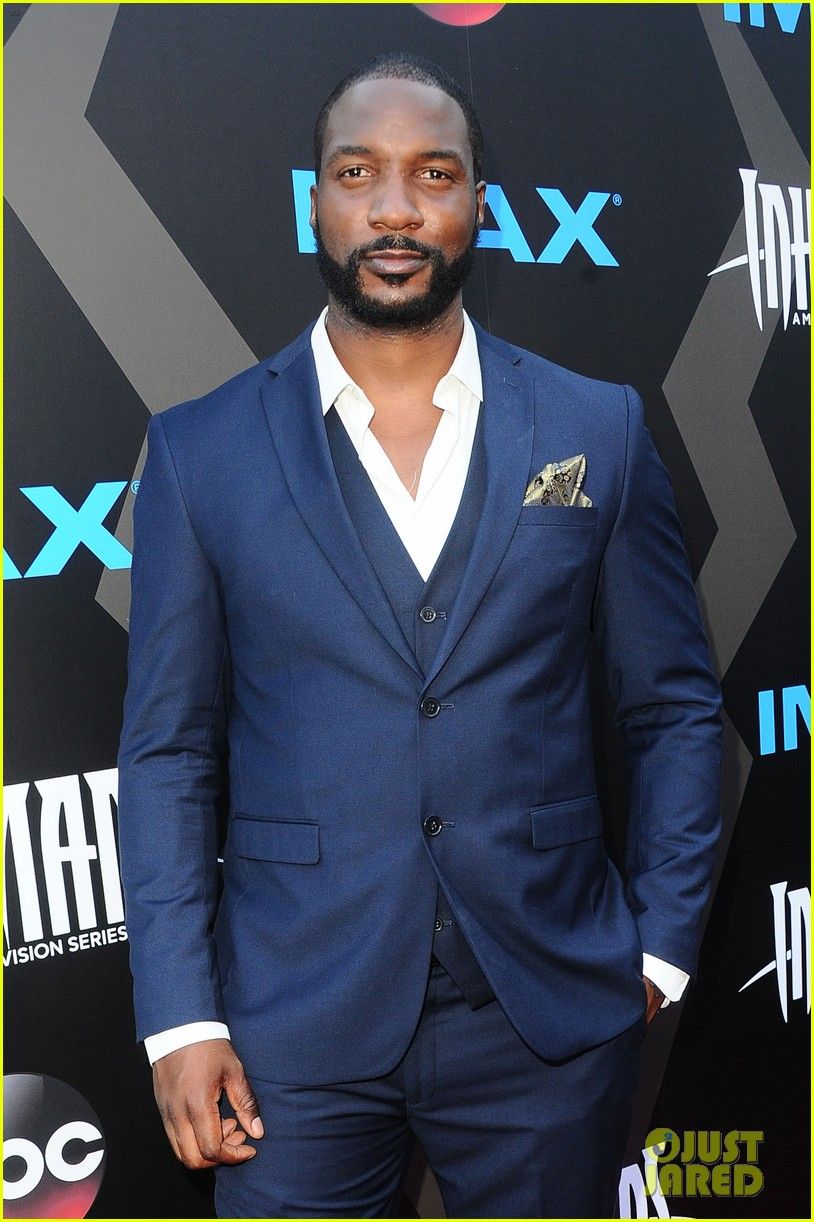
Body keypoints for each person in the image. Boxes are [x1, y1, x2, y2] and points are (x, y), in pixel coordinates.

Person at [118, 53, 722, 1219]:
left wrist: (655, 950)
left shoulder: (598, 427)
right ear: (315, 202)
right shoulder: (201, 452)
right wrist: (181, 1018)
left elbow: (675, 710)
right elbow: (168, 753)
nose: (395, 208)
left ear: (478, 204)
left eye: (432, 174)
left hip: (550, 1014)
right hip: (290, 1026)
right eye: (359, 173)